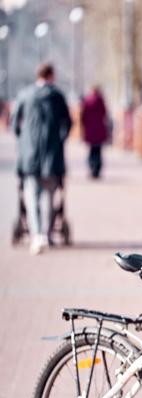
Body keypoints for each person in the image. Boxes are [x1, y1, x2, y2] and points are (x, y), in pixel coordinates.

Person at [10, 62, 72, 255]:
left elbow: (14, 124)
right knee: (50, 196)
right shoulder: (58, 97)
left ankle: (36, 235)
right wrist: (59, 140)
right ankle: (46, 233)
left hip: (29, 156)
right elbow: (68, 123)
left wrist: (24, 141)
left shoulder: (24, 95)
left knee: (31, 196)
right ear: (51, 76)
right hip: (53, 155)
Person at [80, 85, 109, 179]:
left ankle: (91, 166)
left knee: (91, 150)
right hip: (99, 128)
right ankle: (97, 169)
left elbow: (83, 116)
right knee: (98, 150)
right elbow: (104, 113)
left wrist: (84, 127)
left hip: (90, 129)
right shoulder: (101, 101)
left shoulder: (87, 101)